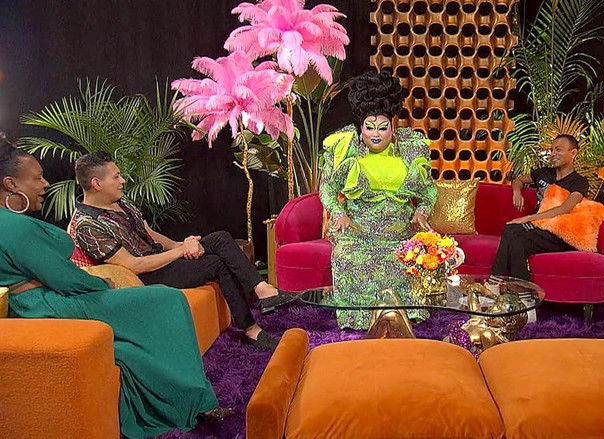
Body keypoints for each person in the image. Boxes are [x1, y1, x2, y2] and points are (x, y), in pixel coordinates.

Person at [0, 142, 232, 438]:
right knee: (169, 300)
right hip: (47, 305)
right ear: (11, 184)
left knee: (125, 348)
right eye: (37, 178)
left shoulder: (10, 223)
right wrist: (103, 284)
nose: (46, 184)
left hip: (35, 305)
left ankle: (179, 402)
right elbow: (66, 280)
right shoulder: (14, 227)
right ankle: (198, 402)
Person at [69, 151, 288, 350]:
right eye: (116, 176)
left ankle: (263, 291)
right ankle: (251, 329)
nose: (123, 180)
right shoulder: (86, 225)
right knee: (216, 263)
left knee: (220, 238)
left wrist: (180, 244)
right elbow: (133, 265)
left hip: (162, 258)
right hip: (147, 276)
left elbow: (150, 234)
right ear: (97, 183)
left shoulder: (120, 202)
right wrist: (182, 251)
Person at [319, 70, 437, 329]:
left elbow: (429, 191)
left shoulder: (411, 149)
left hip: (400, 235)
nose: (376, 134)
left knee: (415, 255)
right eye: (369, 127)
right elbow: (327, 188)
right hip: (358, 236)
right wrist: (339, 214)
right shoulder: (346, 148)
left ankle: (405, 315)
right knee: (345, 255)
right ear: (360, 128)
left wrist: (422, 212)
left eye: (382, 128)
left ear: (392, 128)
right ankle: (357, 318)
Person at [491, 134, 590, 279]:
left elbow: (565, 208)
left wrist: (528, 218)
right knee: (513, 233)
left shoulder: (579, 182)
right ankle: (518, 286)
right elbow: (518, 180)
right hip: (537, 229)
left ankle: (496, 281)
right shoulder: (543, 173)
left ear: (573, 153)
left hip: (558, 233)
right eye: (551, 150)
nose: (553, 154)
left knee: (513, 233)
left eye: (558, 150)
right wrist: (517, 191)